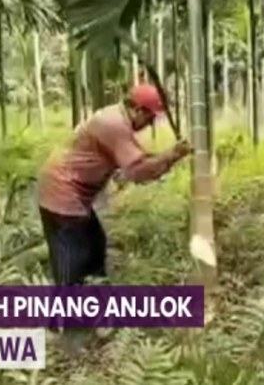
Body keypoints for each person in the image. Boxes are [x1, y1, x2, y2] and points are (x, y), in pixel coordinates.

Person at [36, 84, 192, 354]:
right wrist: (172, 155)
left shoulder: (115, 119)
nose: (150, 123)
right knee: (72, 261)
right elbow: (138, 172)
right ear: (137, 109)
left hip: (69, 194)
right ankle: (71, 336)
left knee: (95, 246)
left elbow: (136, 162)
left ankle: (93, 315)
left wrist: (165, 157)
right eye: (150, 117)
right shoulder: (114, 125)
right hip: (62, 194)